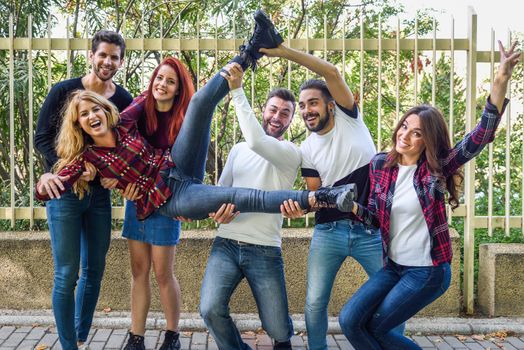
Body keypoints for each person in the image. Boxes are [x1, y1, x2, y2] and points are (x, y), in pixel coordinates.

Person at [35, 12, 354, 234]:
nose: (93, 117)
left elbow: (148, 98)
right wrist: (46, 182)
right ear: (77, 125)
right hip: (173, 199)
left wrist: (165, 82)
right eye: (85, 116)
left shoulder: (125, 120)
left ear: (107, 111)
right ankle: (324, 198)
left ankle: (253, 49)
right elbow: (55, 185)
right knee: (243, 197)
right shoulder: (86, 159)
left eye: (97, 111)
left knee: (201, 103)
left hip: (176, 165)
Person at [337, 41, 520, 350]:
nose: (404, 135)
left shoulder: (436, 168)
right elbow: (373, 215)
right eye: (404, 127)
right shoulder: (380, 164)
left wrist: (500, 79)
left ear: (427, 140)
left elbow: (481, 136)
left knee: (377, 327)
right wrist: (352, 207)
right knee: (349, 320)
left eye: (416, 132)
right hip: (394, 266)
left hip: (427, 272)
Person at [260, 43, 400, 350]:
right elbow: (315, 195)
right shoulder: (307, 149)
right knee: (314, 303)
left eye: (313, 103)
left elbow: (331, 71)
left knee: (393, 296)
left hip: (370, 231)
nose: (307, 110)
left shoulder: (351, 119)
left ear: (331, 105)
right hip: (329, 232)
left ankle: (393, 344)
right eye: (303, 105)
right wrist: (303, 206)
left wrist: (282, 52)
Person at [34, 30, 132, 350]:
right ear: (91, 56)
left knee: (95, 269)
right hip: (65, 191)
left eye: (114, 57)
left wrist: (111, 174)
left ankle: (79, 334)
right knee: (67, 274)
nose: (107, 61)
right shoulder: (64, 91)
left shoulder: (123, 100)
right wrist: (69, 164)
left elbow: (127, 148)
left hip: (99, 195)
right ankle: (69, 346)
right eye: (102, 54)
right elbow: (42, 139)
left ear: (120, 61)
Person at [199, 62, 299, 349]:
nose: (277, 116)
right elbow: (221, 191)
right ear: (263, 110)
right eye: (273, 109)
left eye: (285, 113)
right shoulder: (238, 150)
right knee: (210, 309)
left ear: (292, 120)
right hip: (227, 243)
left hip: (265, 248)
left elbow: (256, 140)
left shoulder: (290, 153)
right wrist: (219, 214)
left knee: (278, 328)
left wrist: (237, 89)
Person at [100, 57, 194, 350]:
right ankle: (136, 337)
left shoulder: (185, 119)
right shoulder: (142, 111)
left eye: (170, 81)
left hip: (166, 201)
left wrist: (184, 203)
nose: (162, 85)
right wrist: (122, 183)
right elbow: (118, 129)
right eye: (158, 79)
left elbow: (188, 164)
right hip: (137, 198)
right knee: (139, 270)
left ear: (179, 89)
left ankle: (172, 335)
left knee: (163, 272)